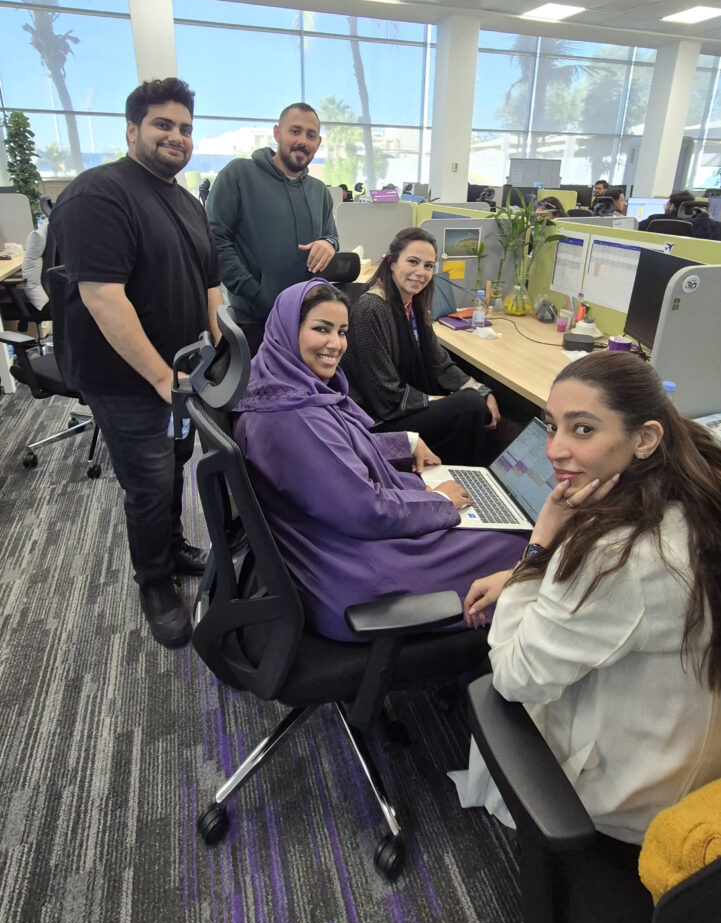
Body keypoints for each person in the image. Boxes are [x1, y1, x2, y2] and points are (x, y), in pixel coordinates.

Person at [451, 351, 721, 851]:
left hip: (632, 801)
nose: (553, 450)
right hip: (686, 759)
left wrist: (540, 544)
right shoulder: (693, 487)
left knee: (500, 683)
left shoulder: (619, 558)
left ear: (645, 438)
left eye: (582, 430)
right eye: (552, 426)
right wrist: (523, 574)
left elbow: (513, 676)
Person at [233, 279, 527, 642]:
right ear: (285, 330)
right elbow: (366, 509)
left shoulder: (281, 388)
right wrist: (438, 503)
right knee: (516, 546)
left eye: (341, 332)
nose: (336, 344)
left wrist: (405, 442)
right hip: (354, 578)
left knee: (484, 528)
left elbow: (336, 451)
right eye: (321, 329)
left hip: (326, 552)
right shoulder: (293, 418)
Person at [51, 77, 222, 649]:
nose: (176, 137)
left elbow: (210, 281)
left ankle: (171, 548)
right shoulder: (99, 194)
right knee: (148, 482)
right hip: (128, 380)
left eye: (185, 128)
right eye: (163, 125)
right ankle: (153, 582)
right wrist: (159, 378)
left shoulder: (187, 200)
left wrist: (218, 347)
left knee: (174, 461)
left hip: (179, 376)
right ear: (132, 130)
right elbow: (104, 297)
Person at [342, 227, 500, 466]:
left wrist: (480, 389)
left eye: (428, 266)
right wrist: (436, 399)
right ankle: (463, 476)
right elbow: (384, 393)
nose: (420, 272)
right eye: (413, 262)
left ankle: (462, 473)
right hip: (379, 421)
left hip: (402, 409)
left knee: (476, 400)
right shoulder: (370, 309)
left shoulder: (414, 306)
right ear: (392, 262)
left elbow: (441, 364)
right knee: (467, 406)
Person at [206, 102, 339, 355]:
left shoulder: (319, 191)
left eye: (311, 135)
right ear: (277, 133)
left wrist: (329, 244)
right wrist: (254, 292)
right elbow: (215, 240)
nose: (303, 141)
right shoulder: (240, 175)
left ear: (319, 143)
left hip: (304, 324)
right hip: (254, 324)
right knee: (257, 394)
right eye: (295, 131)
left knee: (302, 394)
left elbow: (331, 236)